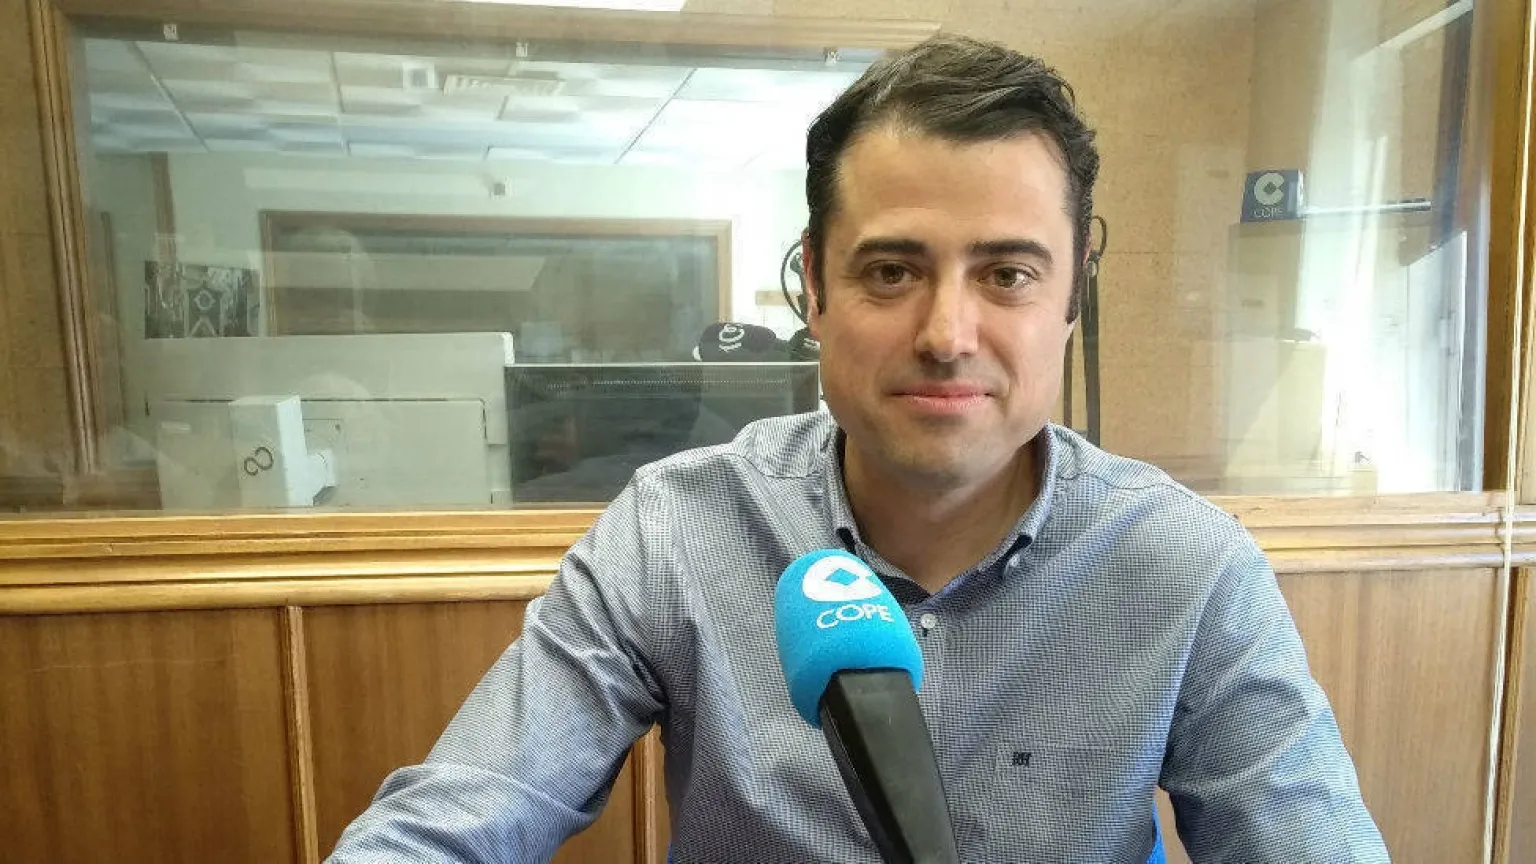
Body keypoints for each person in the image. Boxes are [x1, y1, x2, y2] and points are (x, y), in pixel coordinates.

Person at [328, 35, 1389, 863]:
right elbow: (462, 813)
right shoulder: (675, 530)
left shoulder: (1188, 566)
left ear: (1072, 301)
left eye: (1008, 274)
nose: (947, 333)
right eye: (891, 271)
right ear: (816, 291)